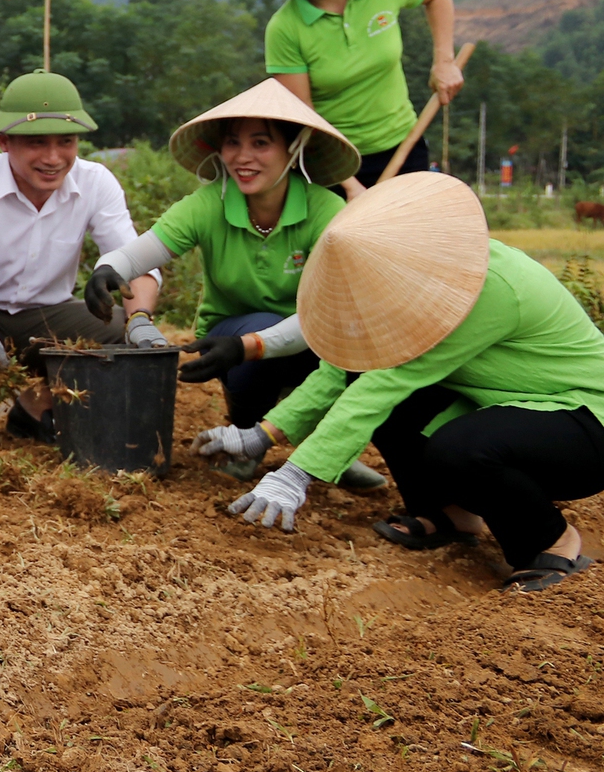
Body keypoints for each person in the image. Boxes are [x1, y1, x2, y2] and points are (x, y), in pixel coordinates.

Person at [221, 173, 604, 593]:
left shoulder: (488, 285)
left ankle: (553, 542)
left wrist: (297, 473)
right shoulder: (414, 287)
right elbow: (343, 369)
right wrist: (264, 433)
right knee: (385, 395)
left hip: (583, 422)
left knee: (462, 448)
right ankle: (451, 513)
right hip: (513, 404)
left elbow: (386, 381)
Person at [85, 79, 385, 491]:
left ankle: (323, 447)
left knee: (350, 347)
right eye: (232, 143)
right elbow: (141, 252)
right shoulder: (210, 203)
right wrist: (107, 269)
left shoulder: (326, 212)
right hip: (232, 335)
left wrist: (251, 346)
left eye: (260, 143)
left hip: (313, 333)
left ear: (293, 149)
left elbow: (326, 316)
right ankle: (247, 437)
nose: (242, 158)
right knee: (257, 328)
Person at [0, 72, 165, 450]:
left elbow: (135, 260)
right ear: (5, 142)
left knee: (123, 327)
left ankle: (35, 405)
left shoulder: (95, 183)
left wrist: (141, 320)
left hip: (47, 319)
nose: (53, 158)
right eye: (37, 143)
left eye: (66, 142)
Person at [246, 0, 464, 195]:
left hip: (404, 144)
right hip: (334, 164)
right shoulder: (284, 28)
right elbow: (302, 116)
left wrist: (444, 61)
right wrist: (349, 185)